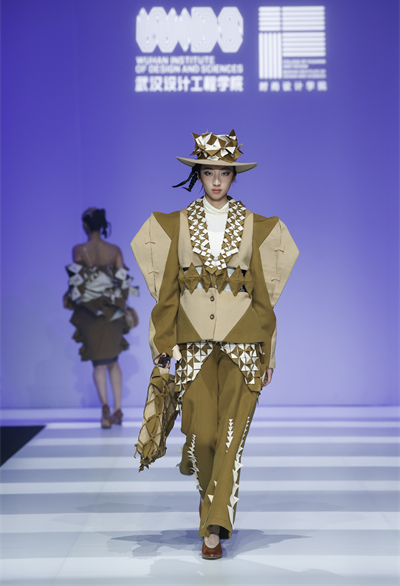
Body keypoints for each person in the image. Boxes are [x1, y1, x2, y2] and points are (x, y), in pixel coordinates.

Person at [131, 130, 299, 559]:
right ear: (199, 176)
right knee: (203, 437)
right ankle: (211, 510)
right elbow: (167, 294)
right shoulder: (176, 224)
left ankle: (213, 527)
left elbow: (263, 298)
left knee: (230, 439)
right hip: (194, 347)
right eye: (209, 172)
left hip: (245, 346)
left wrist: (270, 352)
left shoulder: (257, 226)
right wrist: (162, 346)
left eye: (224, 173)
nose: (217, 180)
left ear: (234, 176)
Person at [64, 207, 138, 428]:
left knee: (98, 364)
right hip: (112, 311)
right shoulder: (114, 250)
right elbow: (123, 281)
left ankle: (105, 408)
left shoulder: (79, 250)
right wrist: (123, 305)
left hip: (89, 312)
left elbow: (77, 282)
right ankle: (117, 409)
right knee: (113, 361)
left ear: (85, 225)